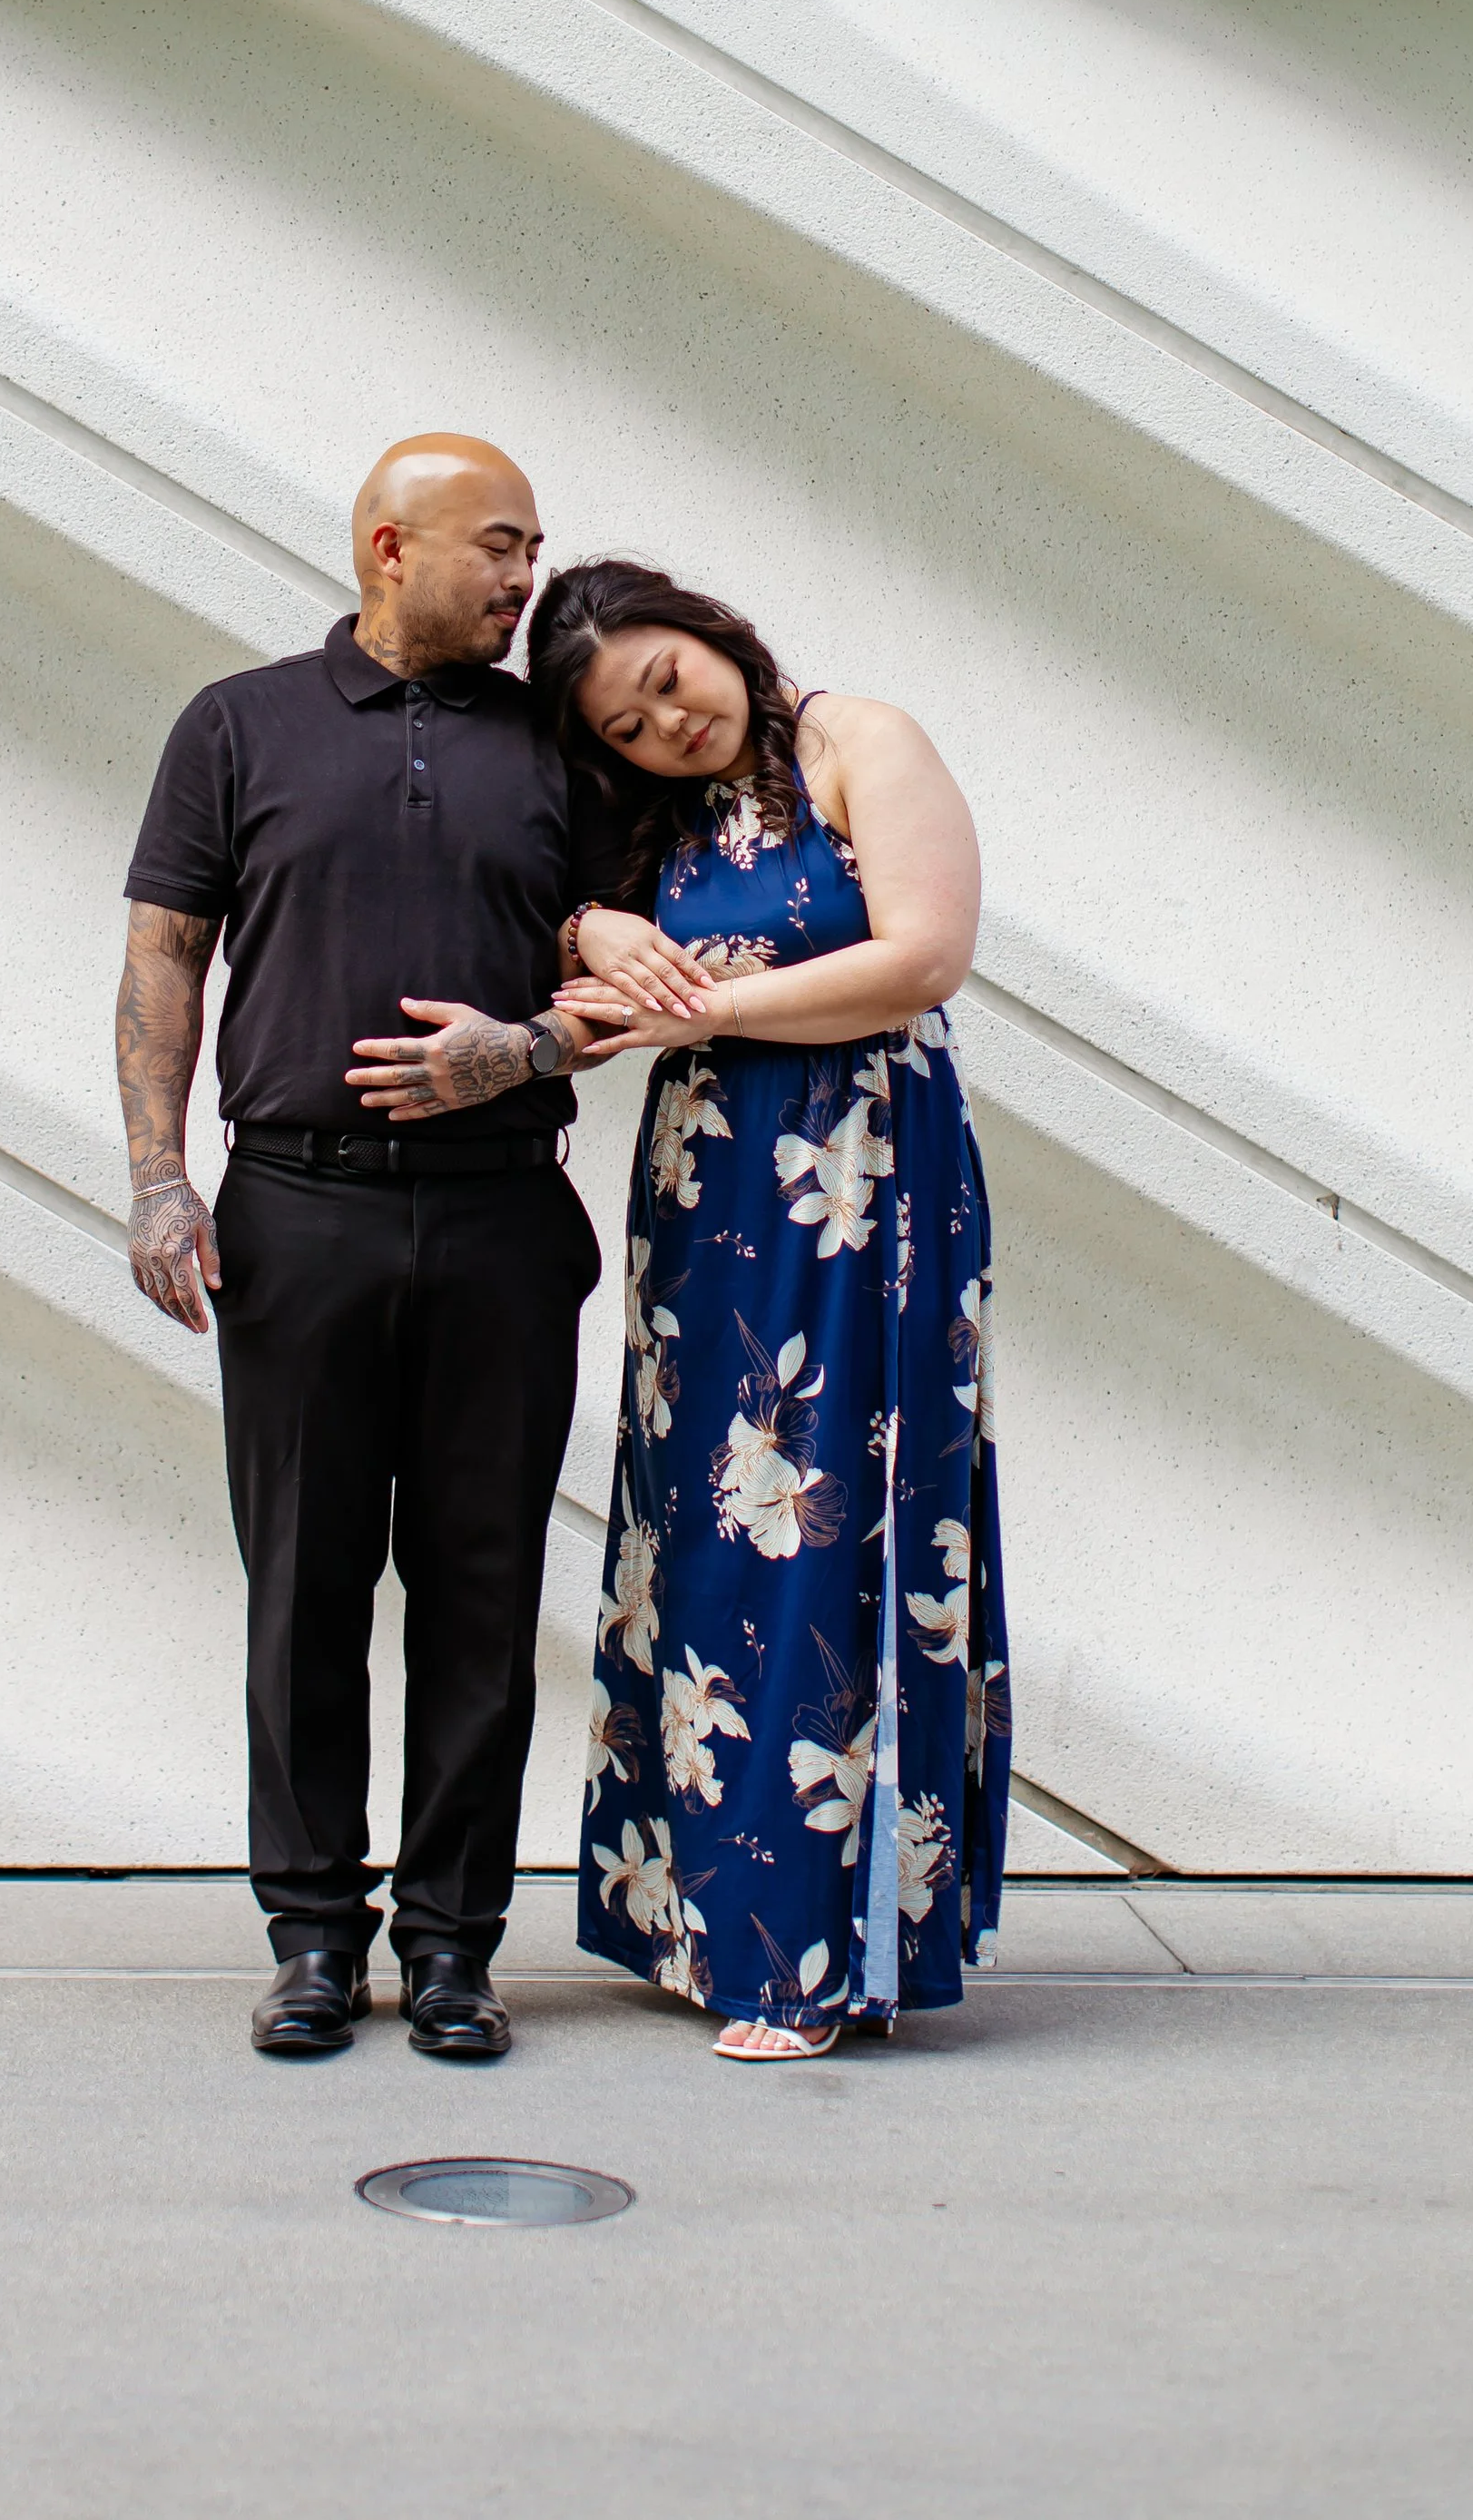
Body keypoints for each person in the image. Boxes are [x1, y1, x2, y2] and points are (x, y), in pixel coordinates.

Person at [115, 436, 614, 2062]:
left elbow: (632, 979)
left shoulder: (560, 746)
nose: (528, 576)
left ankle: (456, 1945)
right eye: (501, 545)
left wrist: (522, 1050)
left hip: (501, 1212)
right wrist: (158, 1180)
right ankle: (313, 1937)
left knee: (483, 1586)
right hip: (297, 1214)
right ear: (392, 547)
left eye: (532, 546)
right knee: (305, 1587)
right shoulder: (237, 724)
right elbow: (166, 956)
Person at [528, 557, 1008, 2061]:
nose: (666, 724)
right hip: (709, 1192)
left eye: (666, 680)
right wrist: (590, 934)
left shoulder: (861, 741)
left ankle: (809, 1953)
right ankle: (695, 1918)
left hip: (863, 1177)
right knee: (697, 1534)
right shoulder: (659, 824)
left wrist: (708, 1006)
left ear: (709, 630)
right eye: (625, 726)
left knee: (831, 1523)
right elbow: (587, 982)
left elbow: (923, 957)